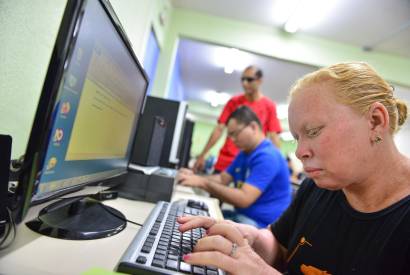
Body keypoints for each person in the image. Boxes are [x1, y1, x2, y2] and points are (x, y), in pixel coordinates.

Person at [177, 62, 410, 274]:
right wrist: (251, 239)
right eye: (298, 137)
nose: (299, 152)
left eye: (314, 131)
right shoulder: (317, 186)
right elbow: (279, 245)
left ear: (376, 121)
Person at [178, 106, 291, 228]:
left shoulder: (268, 156)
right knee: (193, 217)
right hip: (243, 216)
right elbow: (223, 178)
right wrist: (194, 177)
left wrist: (203, 183)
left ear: (253, 127)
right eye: (229, 136)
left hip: (261, 225)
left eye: (235, 134)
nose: (232, 140)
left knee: (202, 228)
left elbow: (244, 198)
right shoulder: (244, 153)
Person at [194, 66, 282, 173]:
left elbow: (274, 136)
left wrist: (279, 164)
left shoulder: (269, 106)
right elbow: (219, 129)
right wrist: (203, 154)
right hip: (226, 162)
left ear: (259, 81)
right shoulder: (233, 102)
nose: (244, 83)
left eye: (249, 80)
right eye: (242, 79)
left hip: (250, 164)